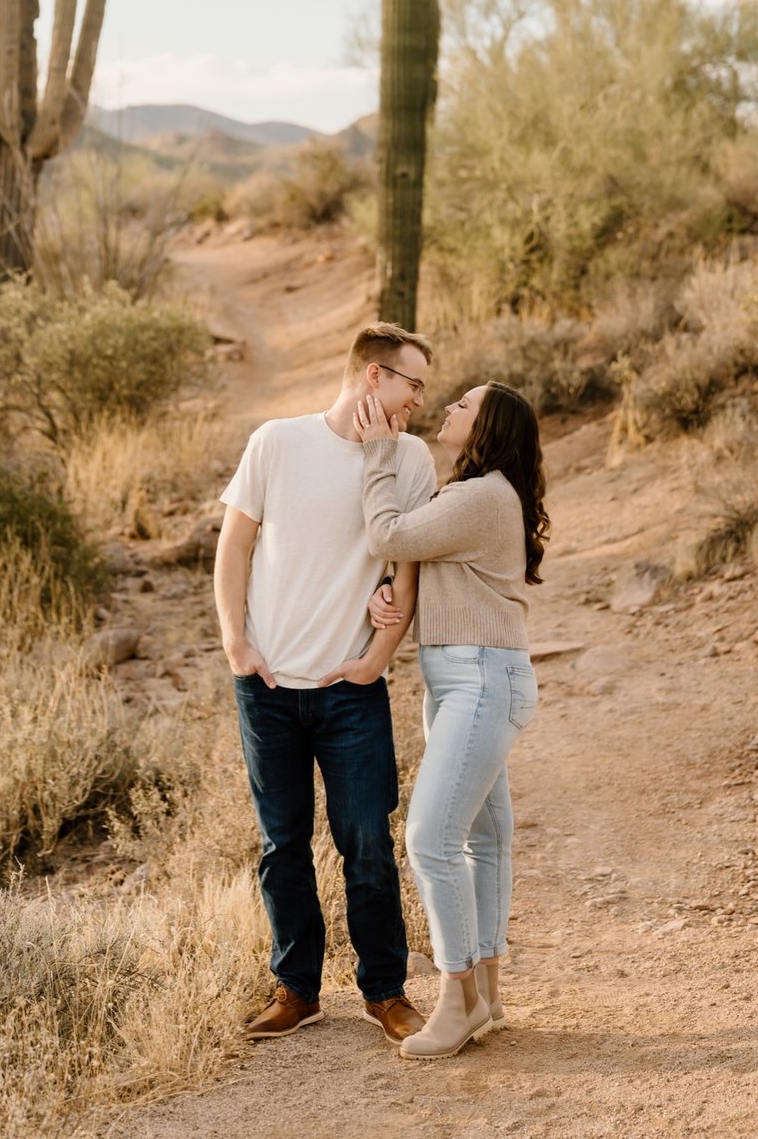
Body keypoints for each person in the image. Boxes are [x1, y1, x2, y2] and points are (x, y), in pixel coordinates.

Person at [214, 321, 436, 1044]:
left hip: (351, 688)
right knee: (283, 843)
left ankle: (386, 992)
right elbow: (236, 542)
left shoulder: (411, 460)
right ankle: (297, 988)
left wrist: (378, 655)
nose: (419, 403)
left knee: (367, 838)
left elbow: (406, 569)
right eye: (413, 384)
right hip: (269, 687)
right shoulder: (276, 441)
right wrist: (235, 640)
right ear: (374, 375)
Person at [355, 379, 548, 1060]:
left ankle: (456, 1000)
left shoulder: (482, 494)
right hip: (470, 679)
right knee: (485, 839)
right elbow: (417, 559)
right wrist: (391, 596)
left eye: (465, 404)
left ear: (489, 424)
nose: (450, 409)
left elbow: (389, 531)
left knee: (430, 839)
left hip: (478, 681)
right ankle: (486, 993)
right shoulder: (483, 496)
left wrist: (380, 452)